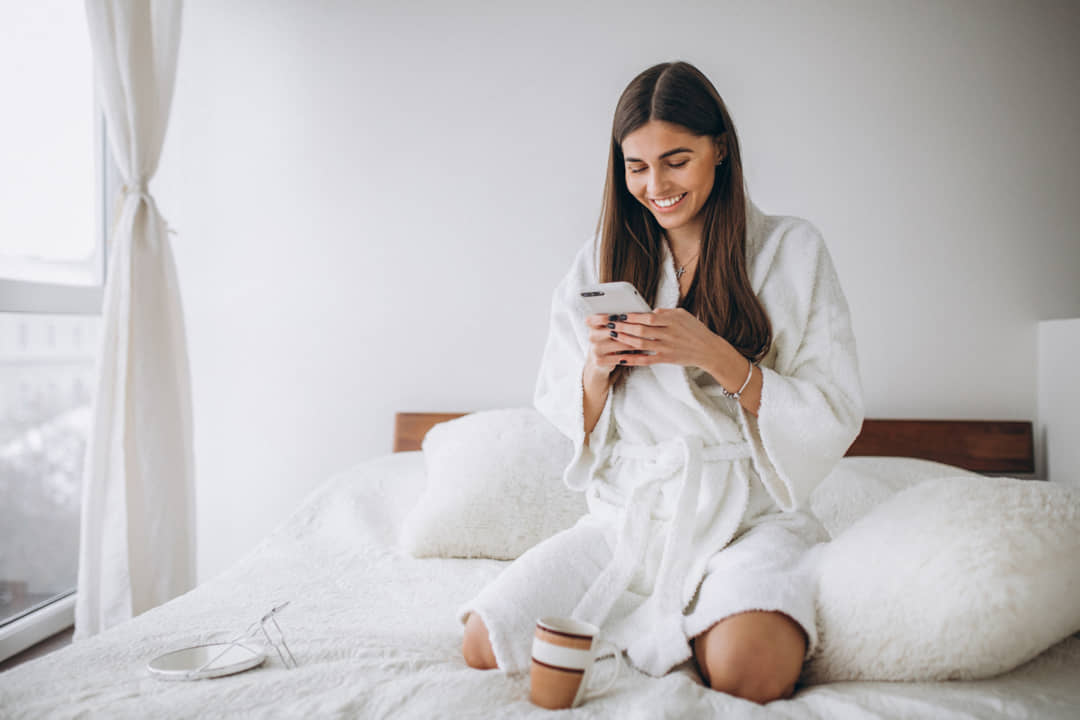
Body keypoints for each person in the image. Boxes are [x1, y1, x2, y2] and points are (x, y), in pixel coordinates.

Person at [458, 60, 864, 704]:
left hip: (747, 519)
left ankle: (692, 633)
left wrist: (717, 356)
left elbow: (833, 409)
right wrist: (597, 367)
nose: (656, 185)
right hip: (633, 516)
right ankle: (666, 633)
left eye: (677, 160)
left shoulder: (792, 250)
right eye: (636, 166)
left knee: (750, 672)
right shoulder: (600, 257)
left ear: (719, 150)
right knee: (486, 641)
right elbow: (562, 404)